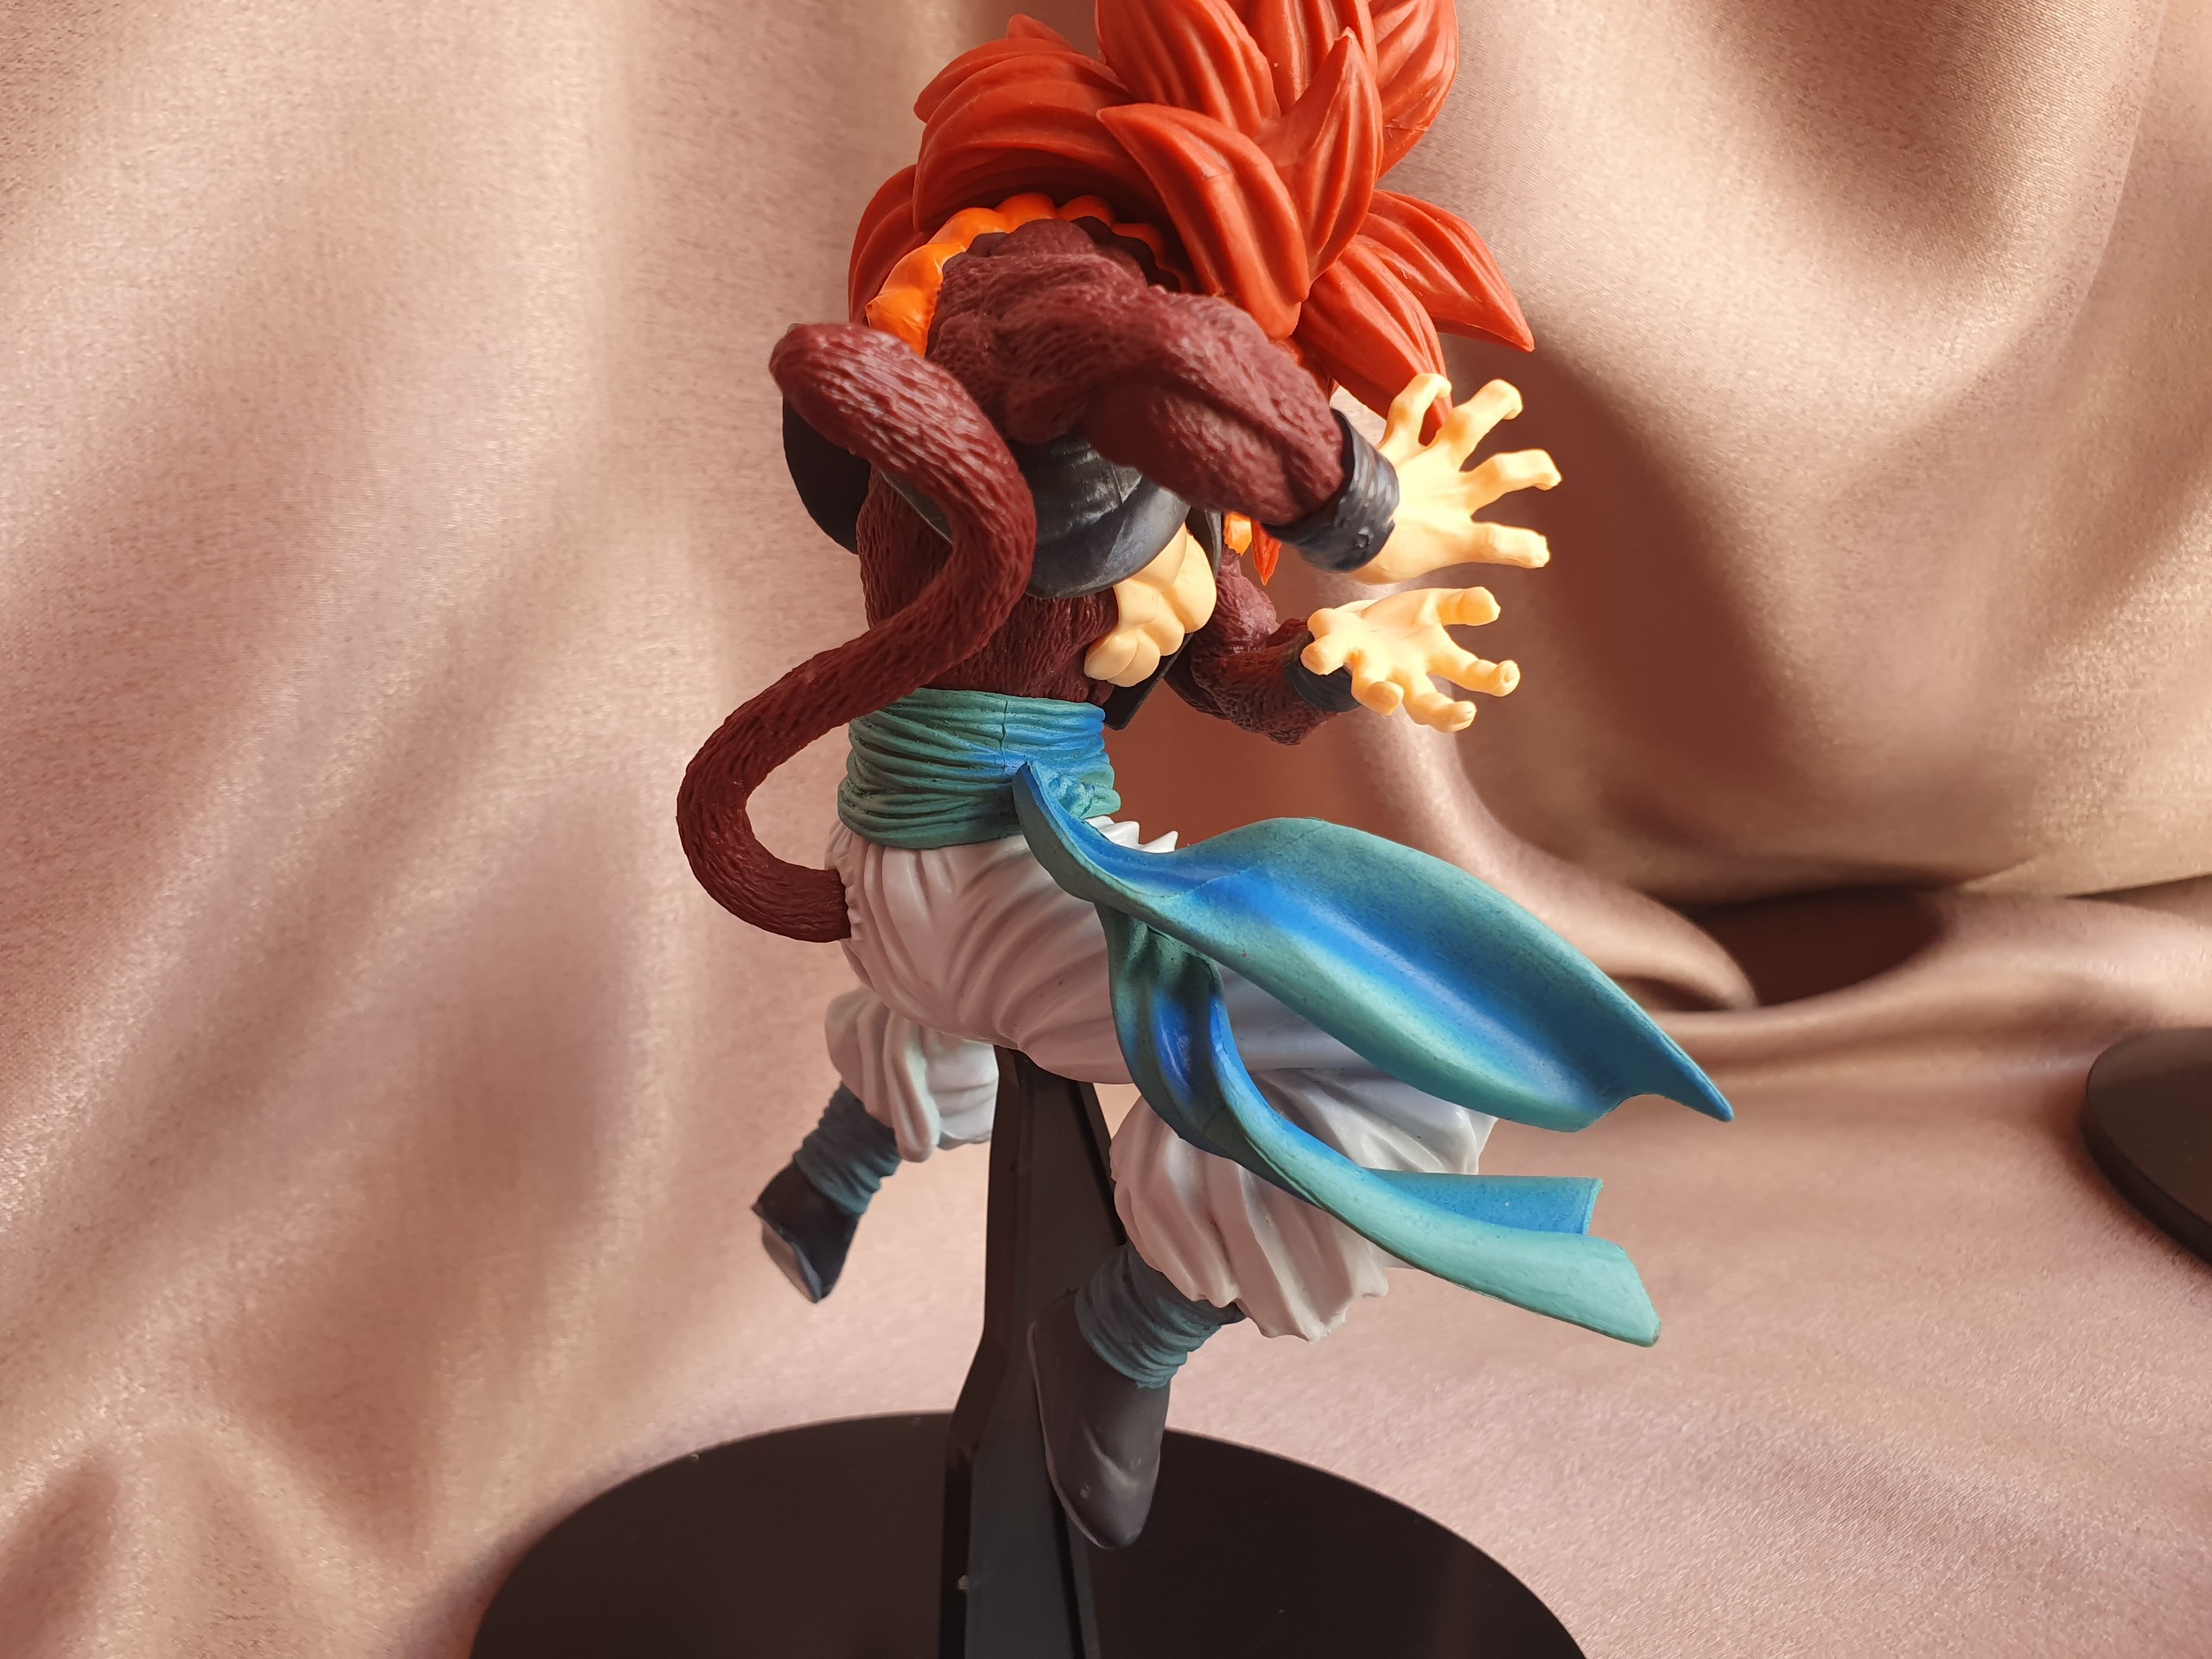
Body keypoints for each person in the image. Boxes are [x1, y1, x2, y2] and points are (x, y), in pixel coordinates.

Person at [679, 3, 1731, 1550]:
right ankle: (1126, 1333)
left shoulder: (1174, 444)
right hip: (959, 864)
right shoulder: (1027, 292)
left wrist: (1334, 662)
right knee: (1387, 1050)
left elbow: (1235, 670)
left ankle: (839, 1162)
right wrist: (1368, 509)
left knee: (1184, 940)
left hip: (990, 854)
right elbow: (1155, 353)